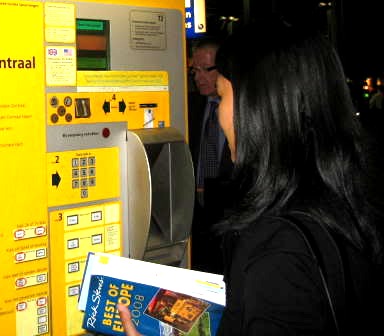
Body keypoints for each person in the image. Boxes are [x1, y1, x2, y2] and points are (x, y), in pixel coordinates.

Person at [119, 19, 383, 335]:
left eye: (223, 95)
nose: (220, 112)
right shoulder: (347, 205)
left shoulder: (279, 247)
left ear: (258, 108)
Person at [187, 38, 234, 274]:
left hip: (228, 212)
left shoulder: (240, 111)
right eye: (195, 70)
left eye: (207, 69)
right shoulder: (190, 106)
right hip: (195, 213)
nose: (199, 77)